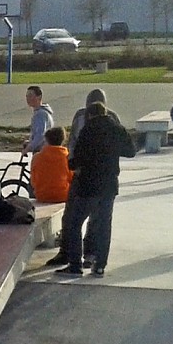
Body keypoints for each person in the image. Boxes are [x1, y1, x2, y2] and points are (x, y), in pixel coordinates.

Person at [56, 99, 136, 278]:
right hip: (109, 185)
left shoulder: (88, 130)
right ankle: (99, 266)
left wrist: (73, 164)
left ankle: (75, 265)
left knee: (74, 223)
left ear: (90, 115)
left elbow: (78, 157)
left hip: (89, 185)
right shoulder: (117, 129)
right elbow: (131, 151)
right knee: (104, 226)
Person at [31, 126, 71, 204]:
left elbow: (33, 181)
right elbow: (72, 178)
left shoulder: (37, 157)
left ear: (46, 140)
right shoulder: (67, 157)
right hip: (63, 195)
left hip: (42, 195)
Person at [21, 85, 54, 155]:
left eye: (30, 96)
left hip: (42, 152)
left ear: (39, 97)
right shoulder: (41, 112)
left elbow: (40, 135)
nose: (28, 99)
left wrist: (28, 148)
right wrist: (30, 142)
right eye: (26, 96)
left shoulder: (41, 114)